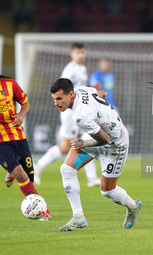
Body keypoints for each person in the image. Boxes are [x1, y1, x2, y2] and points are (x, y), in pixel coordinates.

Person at [0, 54, 52, 221]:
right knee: (21, 174)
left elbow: (25, 103)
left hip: (17, 135)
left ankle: (11, 172)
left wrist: (20, 115)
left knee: (29, 177)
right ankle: (42, 211)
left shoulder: (10, 84)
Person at [50, 78, 141, 231]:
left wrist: (85, 143)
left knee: (108, 191)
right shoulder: (82, 89)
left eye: (59, 98)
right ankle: (78, 217)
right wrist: (102, 116)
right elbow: (102, 93)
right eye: (54, 99)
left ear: (70, 94)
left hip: (115, 144)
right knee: (67, 170)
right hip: (96, 135)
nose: (56, 103)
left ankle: (133, 207)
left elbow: (105, 139)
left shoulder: (80, 115)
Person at [34, 43, 99, 187]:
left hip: (78, 110)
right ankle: (38, 166)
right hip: (70, 113)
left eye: (82, 52)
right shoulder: (70, 70)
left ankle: (92, 177)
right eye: (77, 52)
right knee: (66, 146)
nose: (80, 55)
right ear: (72, 54)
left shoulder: (82, 68)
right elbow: (62, 89)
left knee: (86, 139)